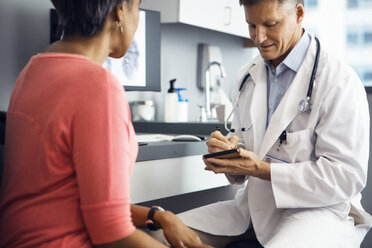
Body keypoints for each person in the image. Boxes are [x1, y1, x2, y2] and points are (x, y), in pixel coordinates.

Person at [152, 0, 372, 247]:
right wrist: (230, 154)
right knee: (157, 237)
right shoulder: (247, 75)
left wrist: (261, 169)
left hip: (318, 214)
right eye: (251, 25)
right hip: (251, 209)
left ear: (299, 13)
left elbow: (345, 177)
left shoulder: (339, 81)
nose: (259, 37)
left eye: (270, 24)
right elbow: (248, 146)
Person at [0, 1, 212, 247]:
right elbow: (112, 233)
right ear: (120, 9)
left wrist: (157, 215)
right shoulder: (97, 85)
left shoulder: (33, 69)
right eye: (137, 7)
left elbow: (75, 202)